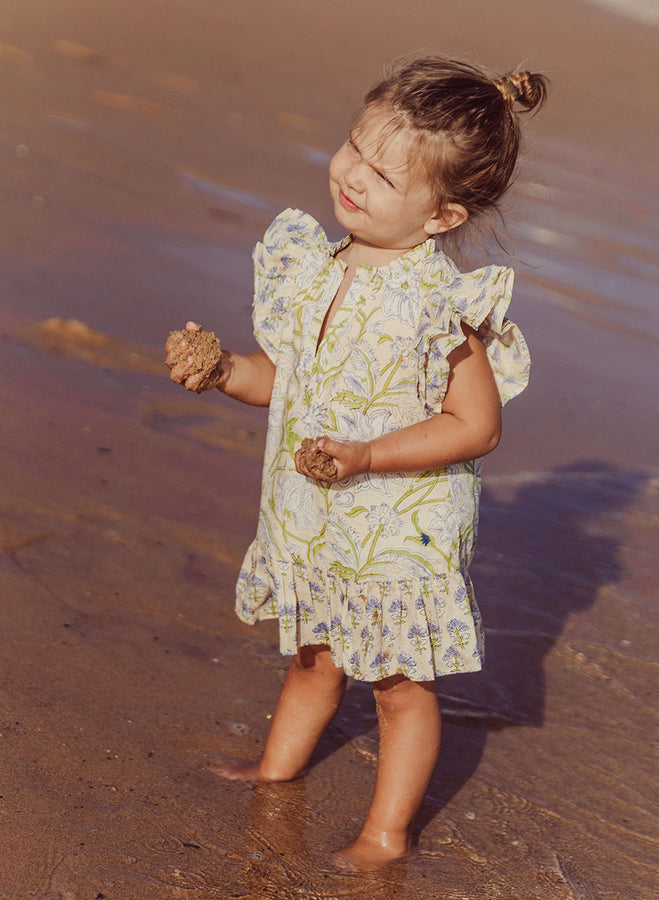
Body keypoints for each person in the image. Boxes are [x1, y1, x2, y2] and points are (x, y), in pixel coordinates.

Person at [166, 56, 547, 871]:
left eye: (383, 174)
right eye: (353, 149)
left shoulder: (441, 307)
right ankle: (276, 771)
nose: (353, 177)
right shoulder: (318, 269)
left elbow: (475, 426)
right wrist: (224, 369)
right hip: (317, 518)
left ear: (443, 213)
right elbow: (292, 381)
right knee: (313, 654)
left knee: (400, 687)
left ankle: (386, 833)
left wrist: (371, 453)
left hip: (399, 527)